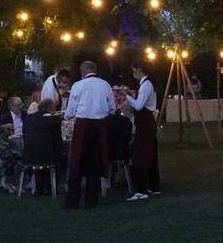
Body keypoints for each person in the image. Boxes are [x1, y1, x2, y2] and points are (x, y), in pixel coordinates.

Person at [63, 61, 115, 209]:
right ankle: (91, 200)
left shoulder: (77, 86)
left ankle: (73, 200)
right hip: (100, 126)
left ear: (82, 71)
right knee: (95, 162)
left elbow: (70, 110)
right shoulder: (105, 85)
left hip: (83, 126)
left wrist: (66, 116)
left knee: (77, 162)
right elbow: (112, 108)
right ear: (95, 70)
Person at [121, 59, 160, 200]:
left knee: (140, 154)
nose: (133, 74)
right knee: (149, 153)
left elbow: (138, 105)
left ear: (139, 69)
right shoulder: (147, 84)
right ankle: (153, 186)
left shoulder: (146, 84)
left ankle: (142, 190)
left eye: (133, 70)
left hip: (144, 123)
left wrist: (126, 95)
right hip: (147, 122)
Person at [22, 98, 64, 195]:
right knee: (59, 157)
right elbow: (58, 141)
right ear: (50, 108)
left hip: (29, 155)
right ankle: (50, 187)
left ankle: (38, 187)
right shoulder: (53, 119)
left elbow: (24, 135)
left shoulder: (28, 118)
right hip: (48, 156)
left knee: (40, 153)